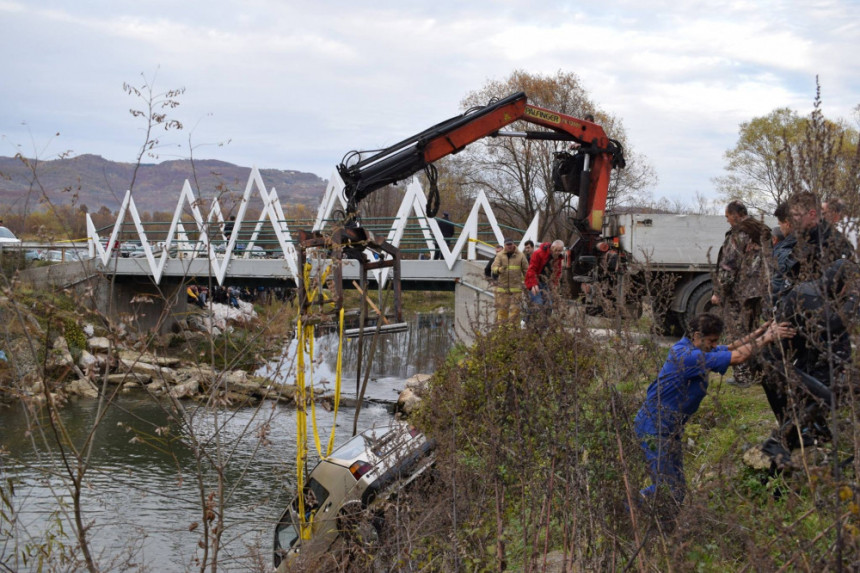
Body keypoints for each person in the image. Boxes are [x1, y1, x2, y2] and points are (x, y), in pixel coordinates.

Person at [634, 313, 794, 512]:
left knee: (677, 489)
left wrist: (758, 332)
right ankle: (627, 509)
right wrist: (768, 337)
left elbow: (729, 348)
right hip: (654, 429)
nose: (713, 345)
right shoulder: (687, 357)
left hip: (668, 429)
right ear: (697, 335)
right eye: (711, 340)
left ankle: (654, 518)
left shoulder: (693, 348)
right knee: (668, 488)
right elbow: (739, 356)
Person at [711, 200, 771, 386]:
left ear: (736, 215)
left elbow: (729, 265)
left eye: (728, 216)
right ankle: (759, 373)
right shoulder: (763, 231)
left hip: (739, 293)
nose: (727, 220)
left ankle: (743, 377)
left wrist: (720, 292)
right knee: (754, 332)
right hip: (759, 291)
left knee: (737, 333)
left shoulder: (738, 234)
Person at [490, 238, 528, 322]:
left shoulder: (521, 256)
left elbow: (526, 270)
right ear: (504, 246)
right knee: (502, 311)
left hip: (516, 289)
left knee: (515, 312)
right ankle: (502, 331)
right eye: (507, 245)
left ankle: (513, 331)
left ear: (513, 244)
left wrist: (527, 283)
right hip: (502, 288)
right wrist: (499, 270)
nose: (509, 246)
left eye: (511, 244)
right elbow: (493, 268)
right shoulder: (499, 255)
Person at [524, 239, 565, 318]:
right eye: (556, 250)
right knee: (537, 303)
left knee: (549, 305)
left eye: (560, 251)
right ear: (552, 247)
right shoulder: (538, 253)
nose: (558, 252)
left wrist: (554, 285)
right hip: (535, 282)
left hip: (546, 283)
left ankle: (544, 327)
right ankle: (527, 321)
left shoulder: (558, 258)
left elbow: (557, 273)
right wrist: (533, 284)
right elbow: (531, 270)